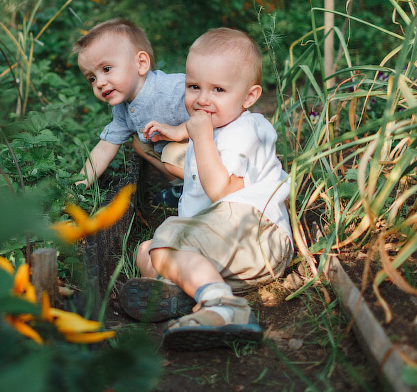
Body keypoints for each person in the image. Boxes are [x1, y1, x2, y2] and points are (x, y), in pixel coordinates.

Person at [118, 28, 293, 350]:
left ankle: (224, 307)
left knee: (171, 233)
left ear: (249, 97)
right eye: (194, 86)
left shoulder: (247, 131)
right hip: (230, 251)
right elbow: (200, 122)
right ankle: (192, 295)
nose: (202, 99)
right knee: (147, 250)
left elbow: (222, 192)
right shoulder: (220, 121)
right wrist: (177, 131)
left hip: (257, 236)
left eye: (218, 90)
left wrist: (197, 136)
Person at [74, 18, 189, 191]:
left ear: (140, 63)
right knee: (140, 144)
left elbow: (214, 118)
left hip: (212, 151)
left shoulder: (173, 91)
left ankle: (204, 189)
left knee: (171, 151)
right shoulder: (122, 110)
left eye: (106, 69)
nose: (99, 83)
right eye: (92, 78)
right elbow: (104, 149)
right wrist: (77, 186)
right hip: (179, 159)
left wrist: (180, 132)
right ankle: (180, 187)